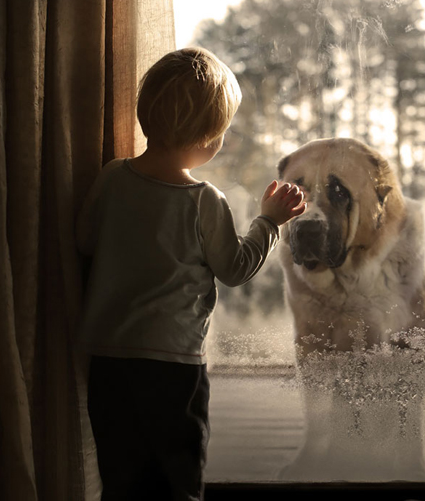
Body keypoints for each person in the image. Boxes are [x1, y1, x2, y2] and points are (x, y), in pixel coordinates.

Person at [76, 47, 306, 500]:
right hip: (173, 363)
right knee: (177, 477)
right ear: (208, 137)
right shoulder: (203, 199)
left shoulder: (111, 177)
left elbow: (85, 241)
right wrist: (269, 223)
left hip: (108, 358)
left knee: (121, 478)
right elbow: (235, 268)